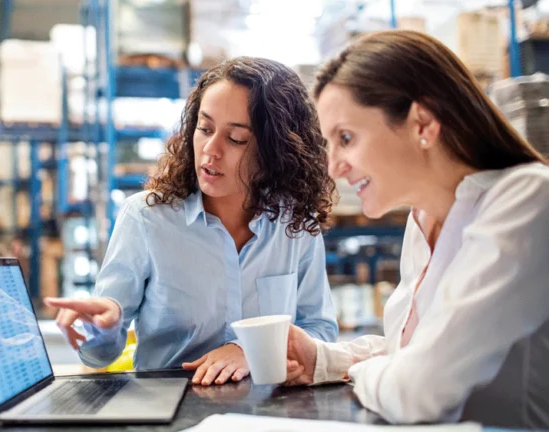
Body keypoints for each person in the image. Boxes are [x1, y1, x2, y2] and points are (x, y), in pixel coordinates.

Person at [282, 30, 549, 428]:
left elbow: (416, 391)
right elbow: (414, 349)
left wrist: (361, 372)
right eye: (329, 145)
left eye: (347, 138)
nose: (333, 167)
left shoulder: (527, 200)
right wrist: (323, 359)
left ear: (422, 123)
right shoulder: (422, 219)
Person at [45, 56, 338, 386]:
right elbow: (99, 356)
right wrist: (105, 327)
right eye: (205, 128)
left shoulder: (295, 224)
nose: (211, 150)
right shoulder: (146, 218)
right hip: (170, 407)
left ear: (276, 150)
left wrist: (249, 350)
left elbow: (320, 330)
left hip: (268, 407)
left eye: (236, 138)